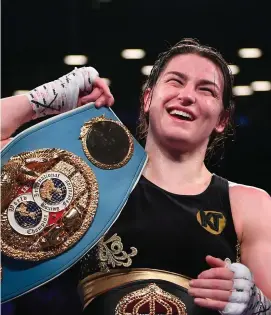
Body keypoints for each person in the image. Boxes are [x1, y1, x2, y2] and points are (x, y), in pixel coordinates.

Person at [1, 39, 271, 315]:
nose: (187, 96)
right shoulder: (90, 184)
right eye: (176, 81)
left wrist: (255, 304)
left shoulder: (248, 204)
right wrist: (40, 101)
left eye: (206, 90)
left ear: (221, 120)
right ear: (147, 99)